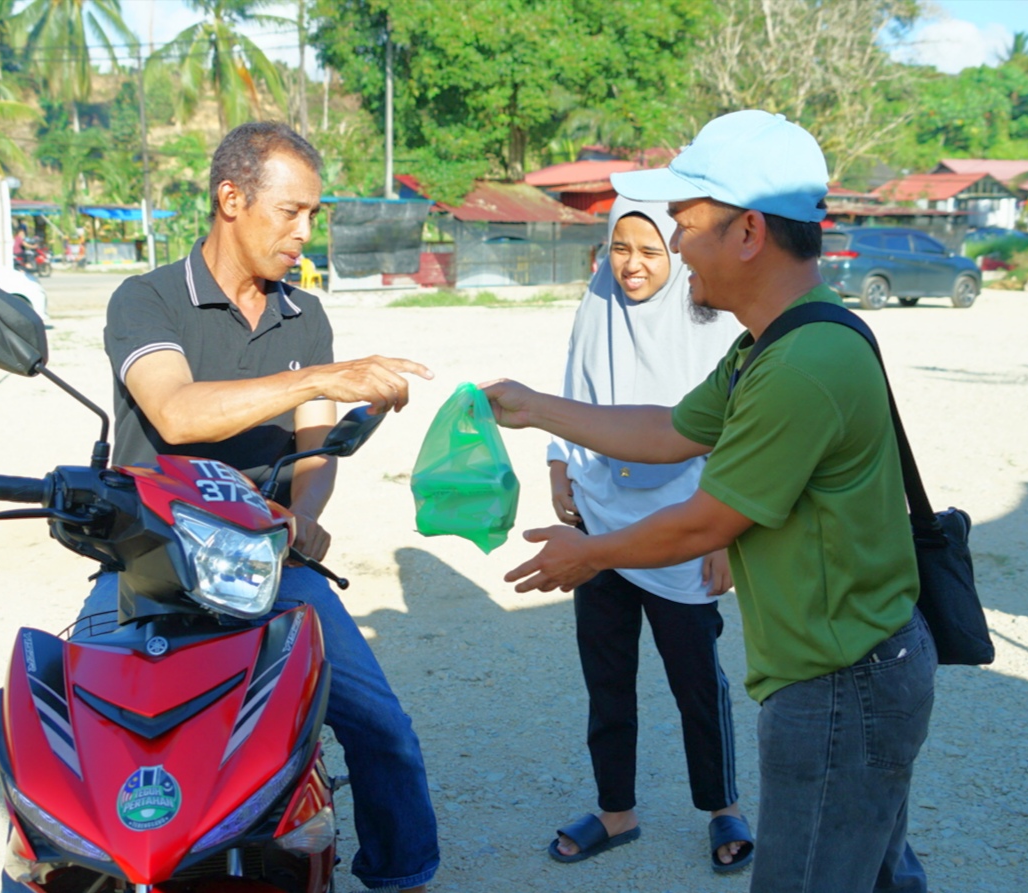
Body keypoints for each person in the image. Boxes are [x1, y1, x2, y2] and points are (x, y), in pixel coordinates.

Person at [482, 110, 937, 893]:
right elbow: (668, 430)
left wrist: (587, 553)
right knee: (878, 875)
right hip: (850, 669)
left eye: (686, 224)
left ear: (748, 233)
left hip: (841, 686)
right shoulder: (769, 342)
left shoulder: (801, 363)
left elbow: (707, 520)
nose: (676, 242)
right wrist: (535, 407)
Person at [89, 121, 440, 892]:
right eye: (291, 212)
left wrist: (305, 511)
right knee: (85, 719)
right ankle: (91, 866)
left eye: (313, 214)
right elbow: (175, 412)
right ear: (230, 199)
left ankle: (402, 871)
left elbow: (315, 451)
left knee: (382, 728)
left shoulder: (303, 316)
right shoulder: (146, 299)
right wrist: (319, 380)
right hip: (153, 558)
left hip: (268, 557)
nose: (303, 232)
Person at [545, 196, 752, 873]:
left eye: (650, 250)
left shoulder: (711, 313)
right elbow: (571, 382)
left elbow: (734, 425)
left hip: (683, 522)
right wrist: (557, 465)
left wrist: (720, 532)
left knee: (696, 678)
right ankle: (615, 809)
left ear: (675, 250)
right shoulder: (597, 296)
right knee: (606, 674)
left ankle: (721, 803)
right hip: (600, 514)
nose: (630, 265)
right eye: (620, 248)